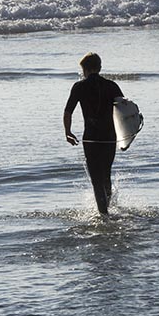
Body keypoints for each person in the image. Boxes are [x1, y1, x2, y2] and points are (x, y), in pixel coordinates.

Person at [64, 52, 124, 215]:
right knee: (106, 175)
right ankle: (109, 209)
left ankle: (104, 216)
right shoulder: (111, 86)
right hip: (110, 138)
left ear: (84, 69)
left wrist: (68, 132)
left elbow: (68, 111)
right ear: (99, 68)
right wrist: (125, 138)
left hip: (91, 138)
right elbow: (125, 111)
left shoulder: (79, 87)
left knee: (96, 180)